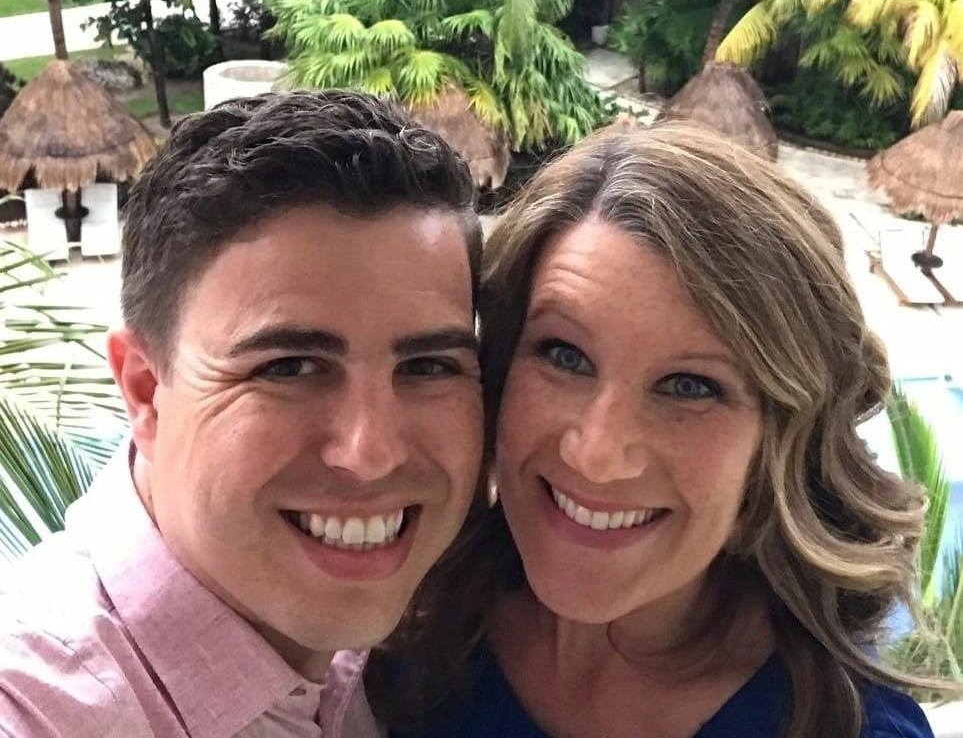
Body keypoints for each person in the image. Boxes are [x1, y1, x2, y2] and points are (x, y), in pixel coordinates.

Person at [369, 122, 953, 738]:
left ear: (778, 442)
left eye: (690, 386)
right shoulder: (398, 624)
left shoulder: (843, 725)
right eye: (565, 355)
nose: (596, 455)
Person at [0, 91, 486, 738]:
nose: (370, 452)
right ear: (145, 391)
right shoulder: (39, 708)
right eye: (287, 367)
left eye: (427, 366)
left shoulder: (396, 644)